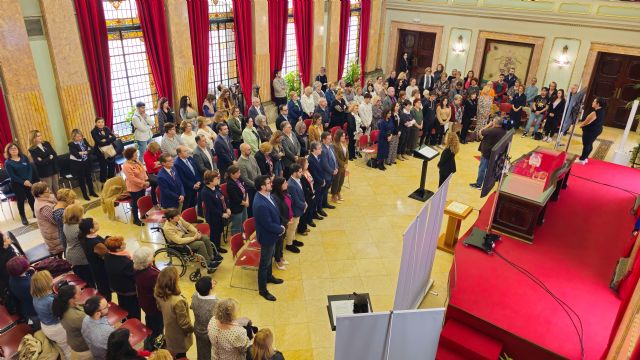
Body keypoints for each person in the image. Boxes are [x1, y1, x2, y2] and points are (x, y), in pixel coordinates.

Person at [253, 175, 285, 301]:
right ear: (262, 187)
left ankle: (269, 277)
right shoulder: (260, 204)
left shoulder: (267, 195)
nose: (271, 184)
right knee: (264, 263)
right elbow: (268, 224)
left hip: (273, 233)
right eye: (268, 183)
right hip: (267, 236)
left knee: (270, 257)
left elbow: (275, 212)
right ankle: (263, 290)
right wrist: (281, 229)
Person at [31, 270, 73, 360]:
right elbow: (62, 312)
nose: (52, 279)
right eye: (50, 278)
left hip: (46, 326)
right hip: (57, 329)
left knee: (62, 347)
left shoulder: (35, 296)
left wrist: (60, 277)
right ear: (46, 284)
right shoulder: (50, 301)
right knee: (68, 349)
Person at [154, 267, 194, 358]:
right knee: (181, 354)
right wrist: (192, 329)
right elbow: (184, 323)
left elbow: (159, 308)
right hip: (179, 335)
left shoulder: (158, 293)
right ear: (174, 281)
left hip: (169, 329)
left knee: (173, 349)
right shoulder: (178, 301)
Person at [104, 236, 140, 319]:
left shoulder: (107, 255)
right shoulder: (125, 262)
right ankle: (133, 325)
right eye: (123, 244)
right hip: (128, 290)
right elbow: (134, 276)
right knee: (133, 310)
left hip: (116, 286)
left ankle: (124, 319)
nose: (125, 244)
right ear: (117, 249)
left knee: (122, 305)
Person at [53, 285, 93, 359]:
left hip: (75, 343)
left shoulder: (63, 305)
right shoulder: (76, 316)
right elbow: (95, 327)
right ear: (71, 299)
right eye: (78, 292)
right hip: (85, 349)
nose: (81, 292)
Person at [78, 218, 111, 301]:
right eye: (95, 223)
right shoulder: (96, 244)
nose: (97, 223)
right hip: (101, 269)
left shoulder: (85, 236)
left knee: (102, 286)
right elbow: (107, 254)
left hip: (94, 266)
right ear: (91, 230)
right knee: (105, 290)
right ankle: (106, 305)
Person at [470, 117, 507, 189]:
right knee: (490, 169)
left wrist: (488, 125)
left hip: (487, 153)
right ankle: (488, 183)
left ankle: (478, 184)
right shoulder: (503, 131)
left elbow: (480, 132)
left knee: (482, 168)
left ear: (495, 123)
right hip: (495, 153)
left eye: (493, 121)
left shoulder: (491, 130)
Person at [4, 143, 36, 225]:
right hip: (17, 184)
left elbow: (30, 169)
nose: (14, 150)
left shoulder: (24, 157)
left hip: (28, 182)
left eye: (15, 148)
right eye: (11, 149)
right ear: (9, 151)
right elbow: (12, 176)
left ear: (18, 149)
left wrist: (28, 180)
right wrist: (23, 182)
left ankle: (34, 212)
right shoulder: (8, 162)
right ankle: (23, 216)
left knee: (31, 198)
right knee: (21, 200)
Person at [63, 203, 94, 285]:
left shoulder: (66, 224)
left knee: (79, 277)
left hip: (70, 252)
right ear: (76, 216)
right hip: (80, 257)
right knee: (88, 281)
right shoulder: (79, 228)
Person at [201, 170, 230, 253]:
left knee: (219, 231)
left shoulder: (217, 187)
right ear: (210, 181)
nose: (218, 180)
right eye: (216, 178)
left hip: (220, 214)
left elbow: (224, 198)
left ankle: (218, 247)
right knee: (214, 234)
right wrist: (221, 214)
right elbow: (211, 208)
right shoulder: (205, 192)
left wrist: (227, 208)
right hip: (213, 216)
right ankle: (214, 250)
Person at [190, 277, 218, 360]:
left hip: (197, 328)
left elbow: (191, 306)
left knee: (200, 349)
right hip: (209, 332)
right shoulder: (216, 303)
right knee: (210, 352)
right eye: (212, 282)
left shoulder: (194, 295)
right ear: (210, 288)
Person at [32, 182, 64, 254]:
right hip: (54, 238)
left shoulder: (45, 198)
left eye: (48, 189)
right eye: (47, 191)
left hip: (54, 232)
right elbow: (57, 221)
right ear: (40, 194)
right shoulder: (44, 207)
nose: (49, 191)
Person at [67, 129, 98, 201]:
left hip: (87, 162)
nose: (79, 138)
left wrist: (83, 152)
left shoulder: (84, 140)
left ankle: (92, 192)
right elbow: (76, 155)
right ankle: (85, 194)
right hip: (79, 164)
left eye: (80, 136)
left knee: (89, 178)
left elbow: (91, 149)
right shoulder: (71, 144)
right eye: (77, 137)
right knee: (81, 180)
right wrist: (86, 151)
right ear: (73, 137)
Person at [122, 147, 149, 226]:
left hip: (142, 185)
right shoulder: (126, 166)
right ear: (131, 155)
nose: (137, 155)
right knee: (136, 203)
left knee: (142, 200)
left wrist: (146, 180)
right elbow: (132, 179)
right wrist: (143, 183)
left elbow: (143, 170)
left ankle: (143, 214)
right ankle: (136, 219)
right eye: (135, 154)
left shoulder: (136, 161)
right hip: (134, 188)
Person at [576, 97, 606, 165]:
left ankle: (582, 160)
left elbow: (587, 121)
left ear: (598, 104)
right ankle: (585, 157)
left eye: (594, 102)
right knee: (589, 144)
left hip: (591, 131)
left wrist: (582, 125)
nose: (592, 102)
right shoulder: (602, 110)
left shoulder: (595, 112)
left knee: (586, 144)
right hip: (597, 129)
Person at [28, 130, 59, 194]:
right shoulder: (32, 149)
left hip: (53, 169)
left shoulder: (46, 143)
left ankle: (60, 202)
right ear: (33, 138)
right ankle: (52, 204)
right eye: (38, 136)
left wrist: (44, 159)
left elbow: (54, 154)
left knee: (56, 188)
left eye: (40, 135)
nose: (40, 137)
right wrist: (49, 157)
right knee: (48, 189)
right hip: (44, 172)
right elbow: (38, 163)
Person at [271, 177, 292, 268]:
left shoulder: (284, 193)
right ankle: (277, 259)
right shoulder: (275, 197)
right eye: (284, 183)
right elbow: (277, 213)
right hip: (280, 223)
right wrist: (286, 221)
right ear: (279, 186)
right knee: (278, 242)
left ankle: (281, 256)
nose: (287, 184)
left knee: (282, 240)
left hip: (285, 222)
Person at [173, 145, 202, 210]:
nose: (187, 152)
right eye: (185, 151)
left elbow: (196, 171)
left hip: (196, 185)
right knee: (187, 207)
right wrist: (193, 185)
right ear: (179, 154)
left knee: (195, 204)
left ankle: (193, 218)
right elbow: (182, 179)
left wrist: (198, 181)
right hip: (187, 189)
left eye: (187, 150)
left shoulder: (190, 158)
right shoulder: (177, 164)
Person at [91, 117, 117, 183]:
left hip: (109, 149)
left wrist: (105, 140)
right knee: (103, 167)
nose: (101, 124)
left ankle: (111, 180)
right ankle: (103, 182)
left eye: (102, 122)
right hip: (100, 152)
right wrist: (108, 140)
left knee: (112, 165)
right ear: (96, 123)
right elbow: (99, 142)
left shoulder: (106, 128)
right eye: (99, 122)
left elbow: (114, 137)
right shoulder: (93, 131)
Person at [237, 144, 260, 216]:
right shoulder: (240, 163)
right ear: (243, 151)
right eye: (248, 150)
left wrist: (260, 180)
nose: (250, 151)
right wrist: (256, 185)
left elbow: (258, 169)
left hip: (257, 184)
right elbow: (245, 179)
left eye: (250, 149)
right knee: (251, 207)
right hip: (249, 188)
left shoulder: (252, 157)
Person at [226, 165, 249, 236]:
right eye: (238, 173)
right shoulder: (230, 184)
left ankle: (242, 235)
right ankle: (236, 239)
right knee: (237, 227)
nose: (240, 174)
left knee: (244, 222)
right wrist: (245, 203)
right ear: (232, 174)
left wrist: (247, 200)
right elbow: (236, 199)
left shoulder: (239, 179)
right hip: (236, 207)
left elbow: (246, 190)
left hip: (244, 203)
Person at [296, 157, 316, 234]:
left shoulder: (307, 171)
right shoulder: (301, 176)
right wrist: (311, 193)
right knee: (303, 214)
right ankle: (301, 229)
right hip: (306, 196)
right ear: (302, 165)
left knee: (308, 211)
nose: (308, 164)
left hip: (311, 193)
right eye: (306, 163)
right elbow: (304, 188)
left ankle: (305, 226)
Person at [307, 142, 327, 217]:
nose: (321, 150)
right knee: (315, 200)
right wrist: (322, 181)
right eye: (319, 149)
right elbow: (314, 174)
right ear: (313, 150)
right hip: (316, 183)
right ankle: (314, 214)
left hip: (321, 181)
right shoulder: (311, 160)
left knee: (319, 197)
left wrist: (323, 179)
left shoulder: (318, 156)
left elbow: (321, 169)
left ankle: (319, 209)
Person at [320, 132, 337, 211]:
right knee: (324, 190)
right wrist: (332, 171)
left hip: (332, 172)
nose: (331, 140)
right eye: (329, 139)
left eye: (331, 138)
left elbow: (334, 158)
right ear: (323, 140)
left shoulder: (331, 146)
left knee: (327, 189)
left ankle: (325, 203)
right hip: (327, 174)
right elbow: (324, 164)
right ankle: (322, 205)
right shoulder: (322, 150)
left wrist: (336, 167)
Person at [330, 129, 348, 203]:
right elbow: (336, 157)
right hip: (338, 166)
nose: (344, 137)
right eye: (342, 136)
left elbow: (347, 153)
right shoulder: (334, 145)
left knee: (341, 180)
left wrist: (346, 163)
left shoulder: (345, 143)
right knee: (336, 181)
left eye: (344, 136)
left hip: (344, 166)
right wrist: (343, 164)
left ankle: (338, 192)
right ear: (338, 137)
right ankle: (333, 195)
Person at [143, 142, 162, 206]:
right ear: (152, 150)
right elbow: (153, 166)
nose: (157, 152)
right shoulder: (146, 154)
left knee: (156, 187)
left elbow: (162, 160)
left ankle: (158, 201)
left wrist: (157, 163)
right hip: (151, 174)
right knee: (156, 186)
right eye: (156, 151)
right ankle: (155, 202)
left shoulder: (157, 151)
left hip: (159, 171)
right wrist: (158, 163)